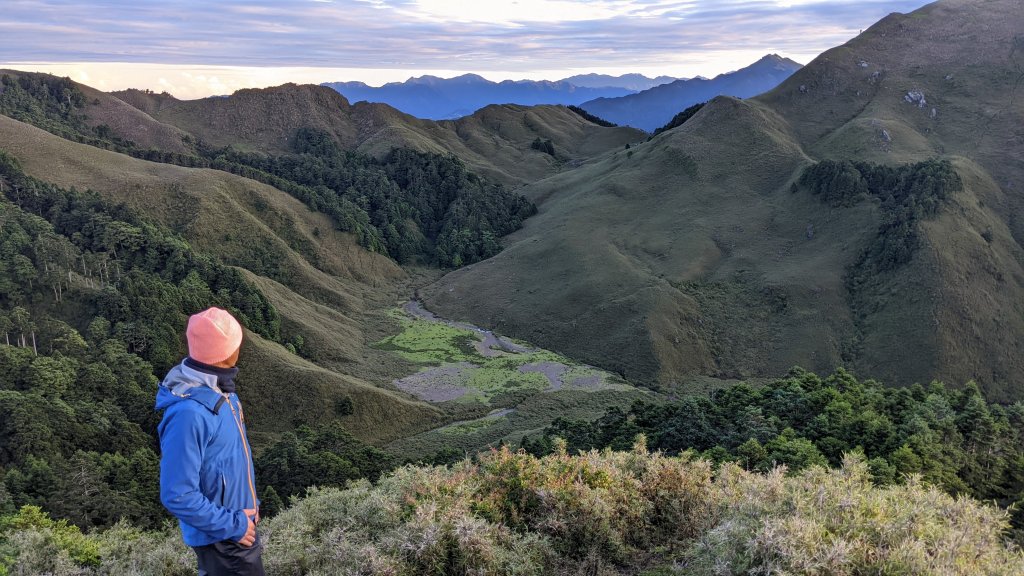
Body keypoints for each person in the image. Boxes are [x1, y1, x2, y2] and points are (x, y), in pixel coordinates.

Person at [155, 307, 264, 575]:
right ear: (226, 353)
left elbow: (227, 464)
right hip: (223, 538)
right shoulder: (189, 413)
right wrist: (234, 525)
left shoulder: (222, 393)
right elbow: (177, 494)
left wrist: (249, 507)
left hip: (234, 526)